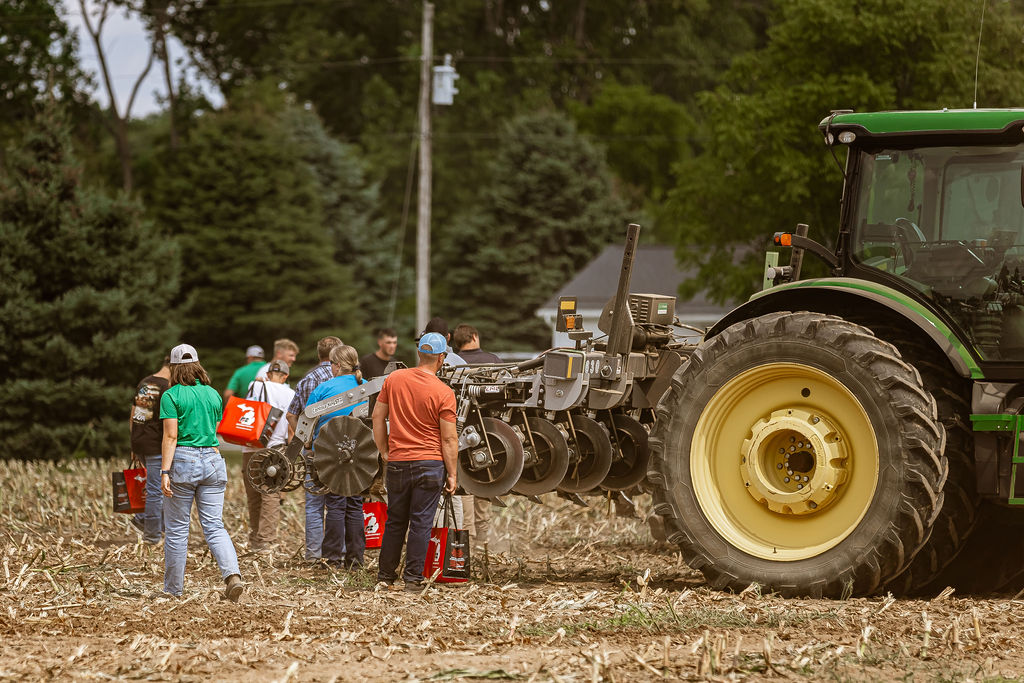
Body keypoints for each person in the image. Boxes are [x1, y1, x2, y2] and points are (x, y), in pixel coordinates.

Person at [372, 332, 458, 592]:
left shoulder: (395, 379)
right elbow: (449, 439)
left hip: (398, 461)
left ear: (419, 353)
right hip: (430, 464)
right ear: (441, 358)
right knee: (421, 523)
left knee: (395, 521)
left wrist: (385, 450)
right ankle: (412, 580)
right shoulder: (444, 392)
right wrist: (452, 474)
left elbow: (377, 417)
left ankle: (385, 577)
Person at [159, 344, 243, 600]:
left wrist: (164, 471)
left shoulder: (171, 396)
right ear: (197, 365)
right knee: (215, 526)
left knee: (177, 530)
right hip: (213, 460)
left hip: (184, 461)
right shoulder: (213, 394)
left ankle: (173, 591)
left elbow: (171, 436)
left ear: (174, 368)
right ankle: (233, 576)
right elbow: (214, 428)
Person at [305, 345, 368, 569]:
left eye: (332, 364)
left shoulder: (323, 389)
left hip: (330, 453)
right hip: (360, 453)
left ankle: (332, 559)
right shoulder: (366, 387)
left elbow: (307, 423)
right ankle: (356, 559)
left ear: (338, 365)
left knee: (335, 505)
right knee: (355, 505)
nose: (330, 368)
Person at [285, 336, 343, 561]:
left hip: (314, 449)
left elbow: (291, 414)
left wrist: (306, 438)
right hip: (341, 449)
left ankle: (313, 554)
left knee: (314, 505)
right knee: (340, 503)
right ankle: (339, 552)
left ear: (319, 354)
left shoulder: (307, 379)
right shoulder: (347, 379)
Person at [451, 324, 502, 546]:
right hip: (490, 435)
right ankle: (485, 544)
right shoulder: (493, 360)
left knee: (465, 485)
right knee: (484, 485)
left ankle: (467, 541)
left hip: (459, 433)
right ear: (474, 336)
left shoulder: (452, 363)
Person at [241, 358, 296, 554]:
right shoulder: (291, 393)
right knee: (270, 494)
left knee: (253, 494)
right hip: (274, 449)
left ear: (268, 373)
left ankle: (254, 537)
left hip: (249, 447)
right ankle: (265, 541)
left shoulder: (255, 386)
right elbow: (291, 427)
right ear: (285, 376)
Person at [129, 355, 172, 545]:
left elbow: (136, 415)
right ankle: (152, 535)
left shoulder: (145, 383)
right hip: (156, 443)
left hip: (140, 441)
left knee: (153, 488)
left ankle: (143, 520)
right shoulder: (167, 388)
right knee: (156, 490)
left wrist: (133, 442)